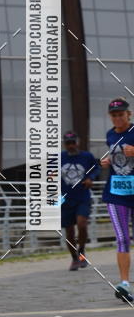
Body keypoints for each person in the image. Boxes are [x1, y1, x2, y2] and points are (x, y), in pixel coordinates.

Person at [100, 97, 134, 303]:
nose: (118, 118)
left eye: (121, 114)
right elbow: (116, 159)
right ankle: (124, 284)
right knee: (122, 238)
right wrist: (107, 162)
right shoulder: (110, 135)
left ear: (128, 114)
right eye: (114, 115)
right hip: (115, 193)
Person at [60, 131, 99, 270]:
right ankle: (74, 258)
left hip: (82, 197)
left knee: (82, 224)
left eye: (73, 142)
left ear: (78, 142)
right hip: (65, 199)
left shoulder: (86, 156)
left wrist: (90, 178)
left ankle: (81, 251)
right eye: (68, 143)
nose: (71, 146)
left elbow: (96, 168)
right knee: (69, 231)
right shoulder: (59, 158)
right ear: (65, 144)